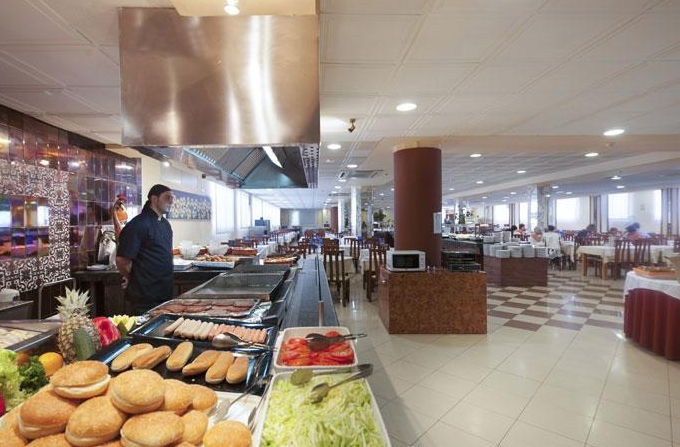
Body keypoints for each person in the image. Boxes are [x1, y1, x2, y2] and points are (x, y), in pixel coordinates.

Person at [116, 184, 175, 313]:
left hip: (165, 293)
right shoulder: (138, 224)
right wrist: (133, 278)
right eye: (167, 197)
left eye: (172, 198)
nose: (171, 201)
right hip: (145, 296)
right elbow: (122, 260)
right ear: (154, 199)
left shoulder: (165, 224)